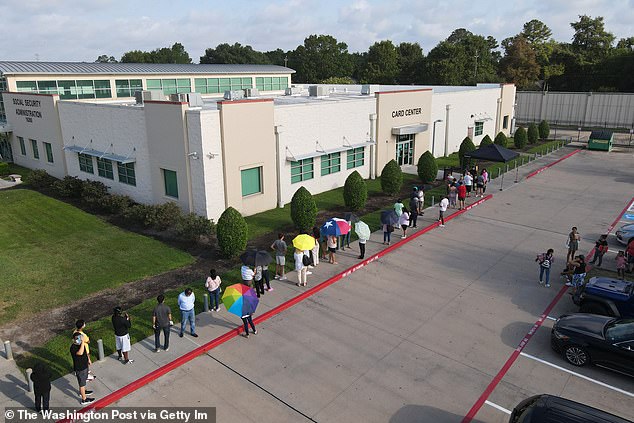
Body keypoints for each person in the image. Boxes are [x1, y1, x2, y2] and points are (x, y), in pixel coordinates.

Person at [70, 331, 95, 405]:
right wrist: (83, 342)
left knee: (83, 380)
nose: (80, 340)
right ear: (74, 340)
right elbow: (80, 353)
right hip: (80, 368)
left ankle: (83, 392)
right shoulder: (73, 348)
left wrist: (88, 359)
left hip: (84, 365)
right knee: (82, 384)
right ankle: (84, 399)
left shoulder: (81, 344)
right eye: (78, 339)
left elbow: (84, 352)